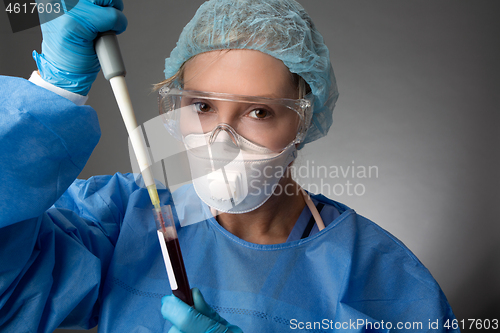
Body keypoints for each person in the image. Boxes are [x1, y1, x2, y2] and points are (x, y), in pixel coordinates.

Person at [0, 0, 459, 332]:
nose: (221, 139)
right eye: (201, 105)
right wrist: (55, 87)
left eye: (258, 112)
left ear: (303, 121)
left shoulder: (375, 274)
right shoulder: (124, 218)